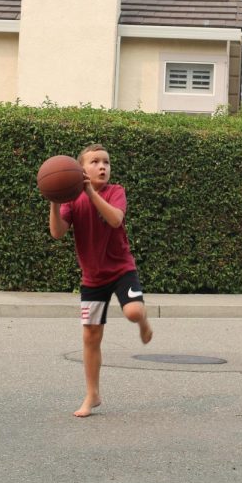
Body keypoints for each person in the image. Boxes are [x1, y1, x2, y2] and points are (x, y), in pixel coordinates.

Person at [49, 143, 153, 417]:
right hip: (92, 277)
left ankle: (143, 320)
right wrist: (54, 199)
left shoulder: (115, 192)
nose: (102, 166)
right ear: (80, 169)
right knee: (91, 336)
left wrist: (90, 192)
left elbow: (116, 219)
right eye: (94, 162)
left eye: (105, 162)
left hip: (121, 270)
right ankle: (92, 395)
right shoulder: (71, 199)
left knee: (132, 312)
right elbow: (58, 233)